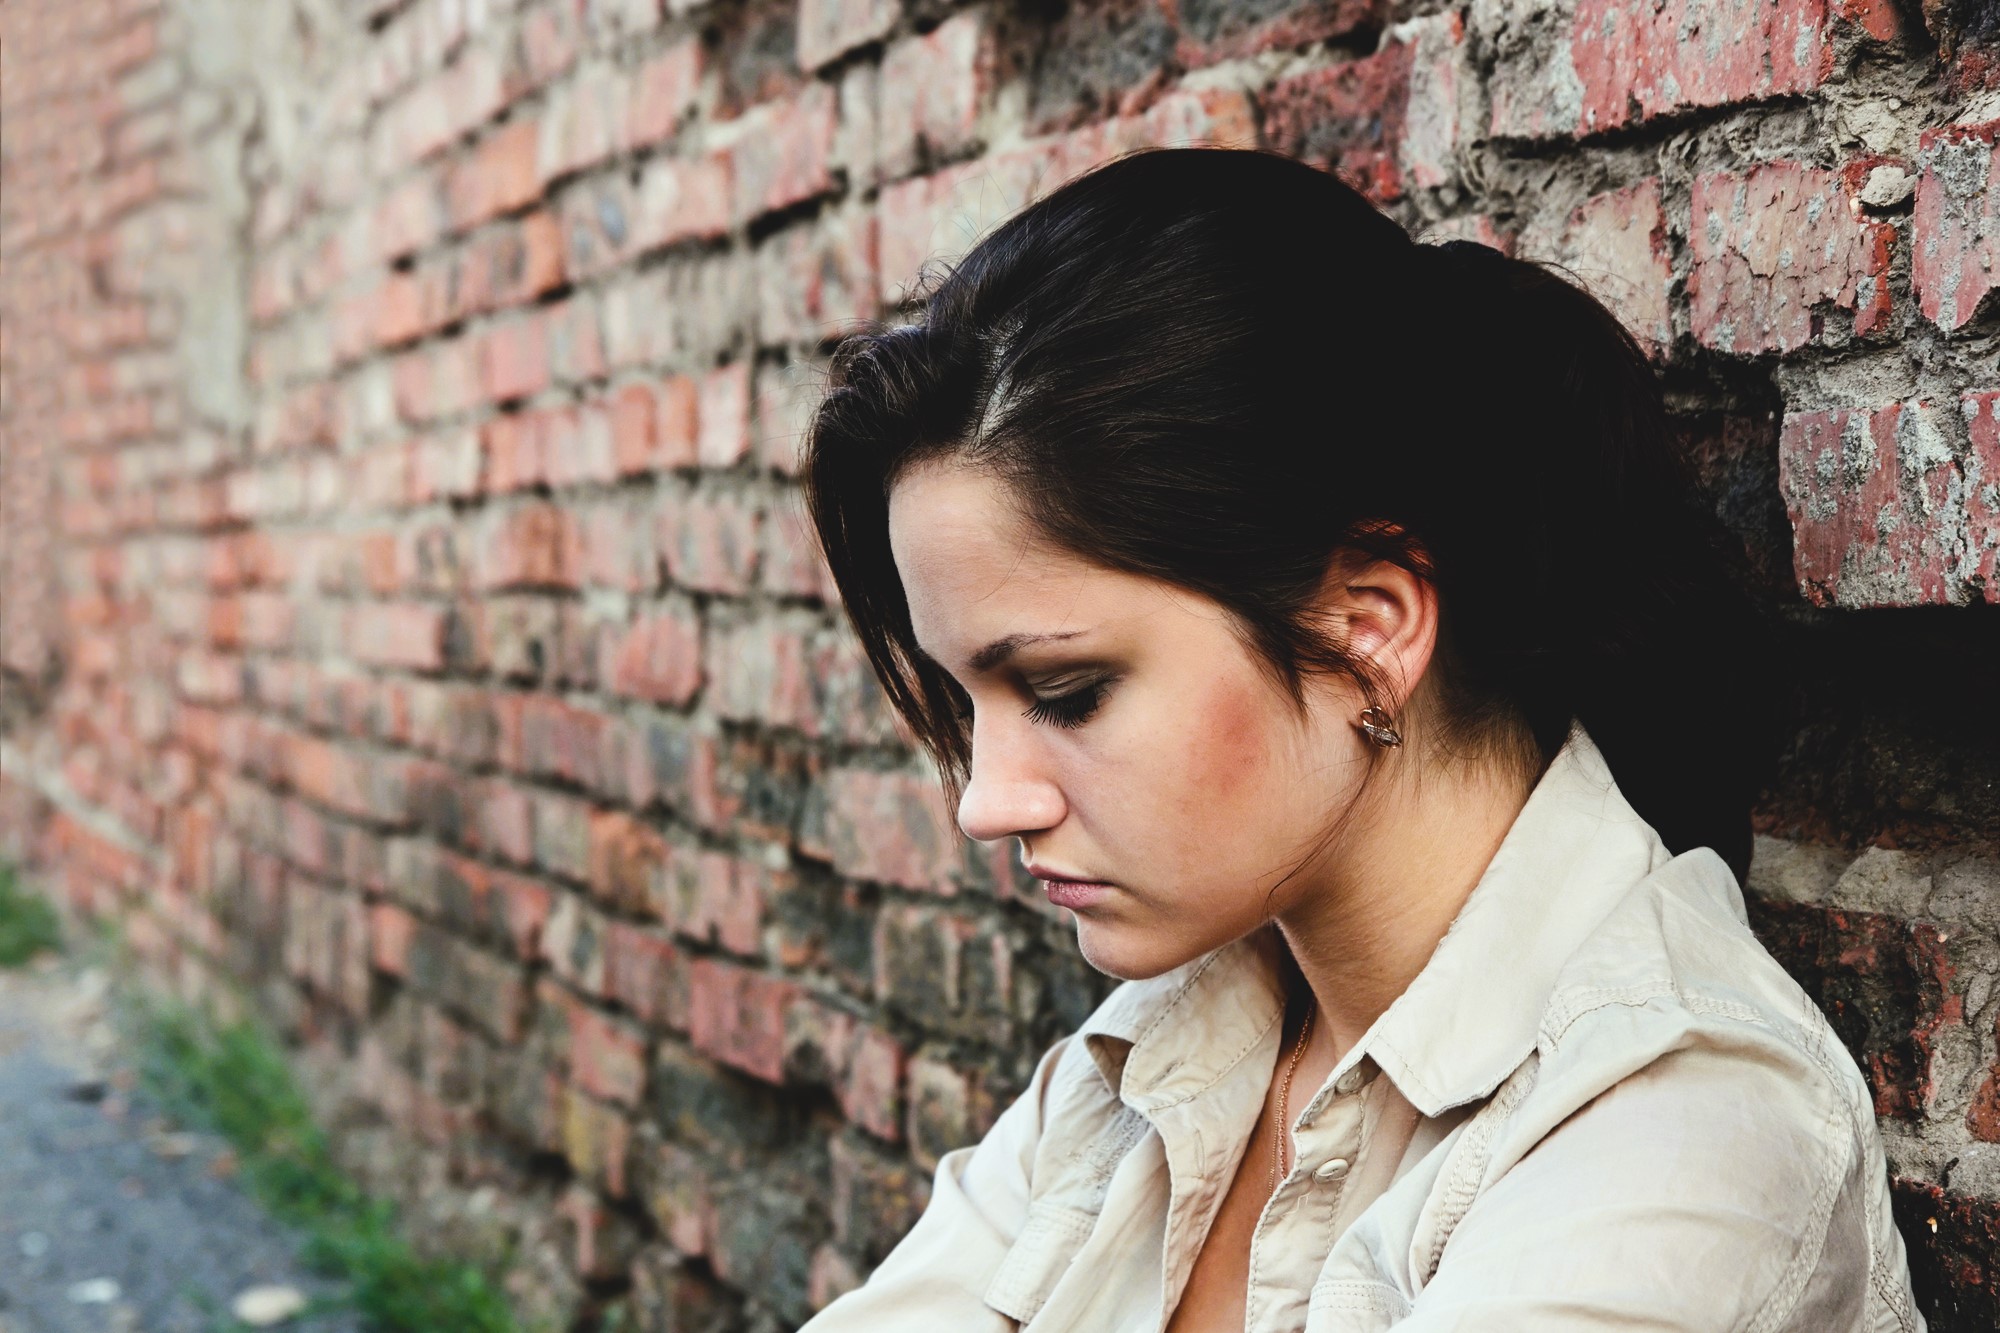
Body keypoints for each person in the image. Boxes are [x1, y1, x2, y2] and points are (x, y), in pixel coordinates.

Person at [793, 147, 1923, 1332]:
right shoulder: (1153, 1053)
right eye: (966, 699)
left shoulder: (1679, 1138)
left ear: (1365, 630)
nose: (986, 800)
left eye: (1067, 692)